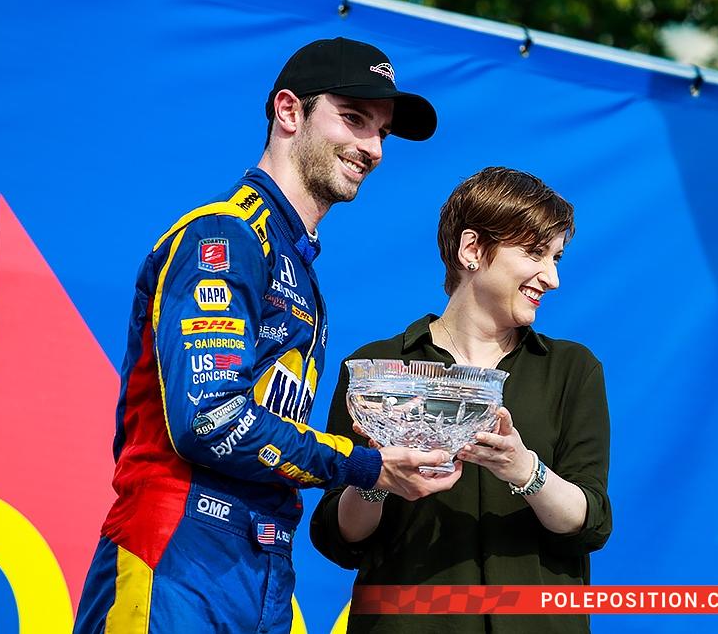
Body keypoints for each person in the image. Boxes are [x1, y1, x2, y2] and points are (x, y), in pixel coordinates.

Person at [73, 37, 461, 634]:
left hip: (263, 564)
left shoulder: (298, 268)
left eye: (382, 131)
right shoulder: (226, 236)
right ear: (289, 111)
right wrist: (364, 463)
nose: (373, 147)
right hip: (178, 553)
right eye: (354, 118)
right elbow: (212, 420)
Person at [310, 166, 612, 634]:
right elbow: (338, 537)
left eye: (556, 258)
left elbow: (589, 521)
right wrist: (376, 476)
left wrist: (524, 470)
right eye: (535, 253)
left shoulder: (572, 369)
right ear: (471, 249)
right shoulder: (376, 371)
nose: (552, 277)